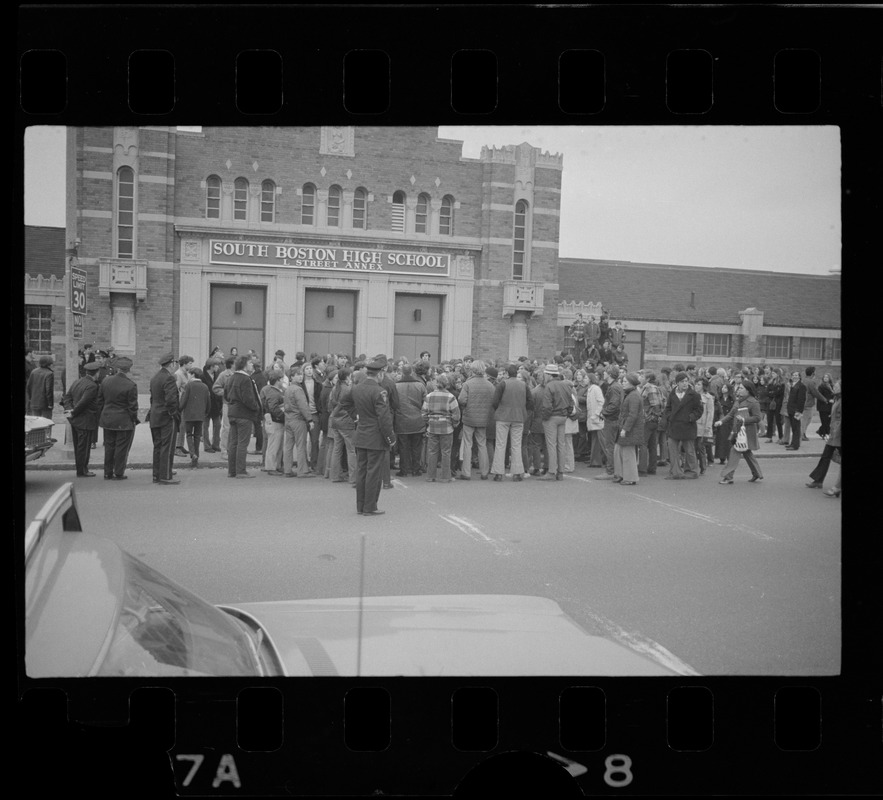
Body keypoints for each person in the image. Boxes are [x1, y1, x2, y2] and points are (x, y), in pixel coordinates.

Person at [339, 356, 396, 515]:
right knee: (374, 474)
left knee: (362, 471)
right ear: (380, 374)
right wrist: (390, 438)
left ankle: (361, 506)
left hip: (361, 433)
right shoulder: (379, 392)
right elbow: (384, 419)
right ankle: (370, 507)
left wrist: (355, 416)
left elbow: (344, 402)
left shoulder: (356, 388)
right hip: (376, 437)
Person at [490, 363, 534, 481]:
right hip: (518, 417)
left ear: (507, 373)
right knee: (516, 445)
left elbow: (494, 401)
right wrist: (525, 413)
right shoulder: (524, 385)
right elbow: (530, 402)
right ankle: (517, 472)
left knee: (500, 445)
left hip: (503, 416)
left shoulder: (502, 384)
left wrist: (498, 410)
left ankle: (498, 473)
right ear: (516, 373)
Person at [97, 356, 139, 480]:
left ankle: (107, 472)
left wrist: (102, 415)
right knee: (122, 448)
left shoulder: (106, 381)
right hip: (123, 420)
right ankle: (119, 472)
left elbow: (100, 401)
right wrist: (134, 419)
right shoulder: (131, 385)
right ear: (128, 370)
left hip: (108, 418)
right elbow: (133, 407)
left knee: (109, 446)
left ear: (117, 369)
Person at [716, 379, 764, 484]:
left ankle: (728, 477)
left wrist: (744, 420)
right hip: (737, 431)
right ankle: (757, 474)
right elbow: (731, 414)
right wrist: (721, 422)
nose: (739, 390)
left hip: (746, 433)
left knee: (734, 452)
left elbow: (757, 418)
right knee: (747, 453)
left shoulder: (753, 402)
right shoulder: (738, 400)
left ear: (748, 390)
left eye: (741, 388)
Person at [224, 354, 263, 478]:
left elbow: (226, 395)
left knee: (233, 442)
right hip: (244, 414)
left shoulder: (232, 377)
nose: (252, 365)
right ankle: (241, 471)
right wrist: (256, 408)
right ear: (244, 365)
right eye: (250, 363)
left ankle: (232, 470)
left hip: (233, 413)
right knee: (242, 443)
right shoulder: (245, 379)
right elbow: (248, 399)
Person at [62, 361, 103, 477]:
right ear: (97, 373)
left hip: (76, 420)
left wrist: (69, 410)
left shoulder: (77, 381)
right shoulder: (92, 386)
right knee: (83, 448)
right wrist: (73, 412)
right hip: (85, 420)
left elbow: (67, 397)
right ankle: (82, 470)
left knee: (78, 446)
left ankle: (81, 469)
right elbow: (84, 402)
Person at [661, 371, 702, 480]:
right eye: (682, 381)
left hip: (687, 425)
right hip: (674, 425)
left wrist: (690, 417)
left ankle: (693, 471)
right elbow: (668, 408)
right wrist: (669, 416)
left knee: (689, 450)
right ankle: (675, 472)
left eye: (686, 381)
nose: (685, 383)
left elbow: (699, 410)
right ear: (677, 383)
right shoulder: (672, 394)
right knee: (673, 450)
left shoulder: (694, 395)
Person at [457, 360, 494, 480]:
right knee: (482, 444)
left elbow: (462, 400)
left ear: (472, 370)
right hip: (483, 418)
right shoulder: (489, 385)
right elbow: (494, 401)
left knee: (468, 444)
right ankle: (484, 472)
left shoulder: (468, 384)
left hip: (469, 417)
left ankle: (466, 472)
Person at [421, 373, 461, 483]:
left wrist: (428, 422)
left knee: (432, 451)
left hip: (432, 426)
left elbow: (423, 412)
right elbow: (456, 414)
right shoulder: (451, 397)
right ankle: (445, 476)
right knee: (446, 452)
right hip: (446, 427)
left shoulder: (429, 397)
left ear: (436, 384)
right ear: (446, 384)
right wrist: (454, 423)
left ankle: (430, 476)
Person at [148, 353, 180, 485]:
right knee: (167, 447)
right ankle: (165, 475)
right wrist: (173, 414)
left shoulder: (155, 378)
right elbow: (171, 399)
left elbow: (152, 398)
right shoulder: (169, 378)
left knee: (158, 446)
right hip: (166, 416)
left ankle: (157, 474)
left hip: (155, 415)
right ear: (171, 364)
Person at [393, 362, 428, 476]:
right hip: (417, 420)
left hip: (402, 420)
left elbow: (393, 403)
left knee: (403, 447)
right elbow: (426, 403)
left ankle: (404, 470)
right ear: (412, 372)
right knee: (416, 446)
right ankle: (416, 469)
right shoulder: (420, 385)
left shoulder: (396, 386)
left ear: (402, 373)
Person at [807, 379, 842, 490]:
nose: (834, 388)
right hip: (833, 434)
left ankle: (835, 486)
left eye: (837, 386)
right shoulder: (837, 398)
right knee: (825, 457)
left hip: (838, 435)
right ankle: (818, 480)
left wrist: (835, 431)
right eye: (835, 386)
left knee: (827, 457)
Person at [538, 364, 571, 481]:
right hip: (563, 416)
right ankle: (560, 472)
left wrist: (545, 417)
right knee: (561, 444)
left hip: (552, 417)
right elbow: (570, 402)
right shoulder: (565, 385)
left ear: (548, 375)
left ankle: (552, 471)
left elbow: (547, 406)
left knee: (551, 445)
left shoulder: (549, 386)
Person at [282, 366, 316, 478]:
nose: (301, 376)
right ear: (292, 377)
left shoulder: (288, 389)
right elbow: (303, 406)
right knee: (301, 445)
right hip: (298, 419)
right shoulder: (298, 389)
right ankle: (302, 470)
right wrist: (310, 419)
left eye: (301, 374)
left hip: (288, 419)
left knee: (288, 445)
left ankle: (287, 469)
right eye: (298, 374)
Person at [612, 372, 644, 485]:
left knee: (628, 454)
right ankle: (621, 474)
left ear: (632, 383)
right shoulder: (630, 394)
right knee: (618, 450)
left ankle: (630, 478)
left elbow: (633, 415)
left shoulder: (634, 395)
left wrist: (625, 429)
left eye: (625, 381)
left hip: (630, 430)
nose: (622, 383)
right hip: (625, 427)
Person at [179, 366, 212, 468]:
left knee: (189, 434)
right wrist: (206, 412)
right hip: (200, 415)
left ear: (193, 375)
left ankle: (192, 454)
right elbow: (208, 402)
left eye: (190, 374)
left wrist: (179, 409)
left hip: (189, 414)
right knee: (197, 436)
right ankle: (196, 457)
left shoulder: (189, 385)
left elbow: (184, 400)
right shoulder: (205, 387)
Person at [595, 365, 624, 480]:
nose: (604, 374)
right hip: (615, 419)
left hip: (612, 420)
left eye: (606, 372)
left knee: (609, 446)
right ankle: (614, 470)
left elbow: (614, 404)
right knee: (614, 446)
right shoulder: (616, 386)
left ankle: (610, 471)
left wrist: (603, 412)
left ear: (610, 374)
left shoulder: (613, 387)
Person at [328, 368, 357, 484]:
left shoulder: (335, 388)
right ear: (347, 377)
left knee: (337, 449)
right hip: (346, 421)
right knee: (351, 450)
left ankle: (334, 476)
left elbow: (330, 404)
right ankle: (353, 477)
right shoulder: (348, 389)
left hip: (335, 421)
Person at [260, 369, 286, 475]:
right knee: (273, 445)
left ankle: (276, 465)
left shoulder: (271, 391)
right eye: (282, 379)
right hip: (276, 421)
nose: (283, 381)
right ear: (278, 380)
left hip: (275, 420)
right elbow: (273, 408)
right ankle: (271, 467)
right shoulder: (274, 393)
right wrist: (283, 416)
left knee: (277, 445)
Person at [637, 371, 662, 476]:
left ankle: (642, 469)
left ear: (647, 379)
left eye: (642, 376)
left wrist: (649, 416)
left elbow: (655, 404)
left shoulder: (649, 388)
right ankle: (652, 468)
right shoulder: (654, 387)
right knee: (652, 444)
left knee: (643, 443)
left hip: (649, 420)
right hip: (653, 419)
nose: (640, 378)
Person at [200, 357, 224, 452]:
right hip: (206, 404)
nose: (218, 367)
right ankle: (207, 445)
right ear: (211, 366)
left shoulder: (217, 375)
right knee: (205, 426)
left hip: (216, 404)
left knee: (217, 425)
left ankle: (216, 444)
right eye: (216, 365)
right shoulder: (202, 376)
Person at [173, 355, 195, 456]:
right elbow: (175, 390)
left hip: (186, 403)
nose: (191, 365)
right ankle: (177, 447)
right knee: (180, 425)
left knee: (183, 426)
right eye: (190, 363)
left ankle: (180, 445)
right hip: (180, 403)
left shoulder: (186, 374)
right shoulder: (178, 374)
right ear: (184, 363)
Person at [801, 365, 828, 442]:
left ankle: (802, 434)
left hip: (803, 402)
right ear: (813, 373)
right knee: (806, 420)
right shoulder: (811, 382)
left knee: (805, 419)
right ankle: (802, 434)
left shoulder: (804, 380)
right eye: (815, 372)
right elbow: (815, 393)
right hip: (808, 403)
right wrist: (824, 399)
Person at [695, 377, 715, 475]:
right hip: (693, 424)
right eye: (696, 384)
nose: (696, 386)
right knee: (692, 447)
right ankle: (693, 467)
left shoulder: (708, 397)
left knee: (700, 447)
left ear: (703, 386)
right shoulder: (693, 395)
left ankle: (703, 467)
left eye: (699, 384)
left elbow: (710, 413)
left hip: (702, 426)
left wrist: (708, 427)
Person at [785, 370, 808, 450]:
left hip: (796, 411)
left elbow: (801, 400)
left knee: (796, 428)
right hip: (790, 409)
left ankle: (795, 445)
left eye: (796, 375)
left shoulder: (801, 386)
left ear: (799, 377)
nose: (794, 376)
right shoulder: (793, 385)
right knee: (793, 428)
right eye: (793, 375)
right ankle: (792, 443)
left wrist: (799, 411)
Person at [714, 382, 736, 464]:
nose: (723, 389)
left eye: (725, 388)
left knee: (729, 440)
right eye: (723, 387)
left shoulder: (732, 400)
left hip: (729, 421)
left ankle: (730, 457)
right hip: (721, 421)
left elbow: (734, 411)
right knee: (721, 440)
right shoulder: (719, 399)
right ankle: (721, 457)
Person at [816, 373, 836, 438]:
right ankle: (825, 434)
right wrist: (828, 400)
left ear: (829, 378)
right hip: (823, 406)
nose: (825, 378)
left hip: (830, 406)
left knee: (828, 421)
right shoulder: (821, 386)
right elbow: (819, 396)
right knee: (824, 421)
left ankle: (820, 431)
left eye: (827, 377)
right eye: (824, 377)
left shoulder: (832, 386)